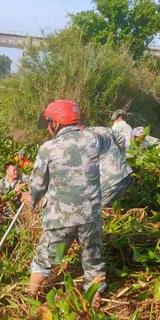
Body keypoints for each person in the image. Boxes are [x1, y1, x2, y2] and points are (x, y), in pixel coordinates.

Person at [21, 100, 112, 304]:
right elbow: (111, 140)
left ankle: (30, 299)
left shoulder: (48, 148)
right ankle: (95, 304)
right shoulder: (93, 140)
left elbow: (38, 184)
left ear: (55, 123)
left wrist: (32, 199)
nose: (47, 128)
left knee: (45, 258)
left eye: (48, 123)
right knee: (93, 261)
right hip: (90, 216)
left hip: (61, 218)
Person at [85, 126, 133, 206]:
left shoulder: (79, 139)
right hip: (125, 173)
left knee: (93, 209)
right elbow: (122, 140)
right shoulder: (102, 129)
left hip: (109, 181)